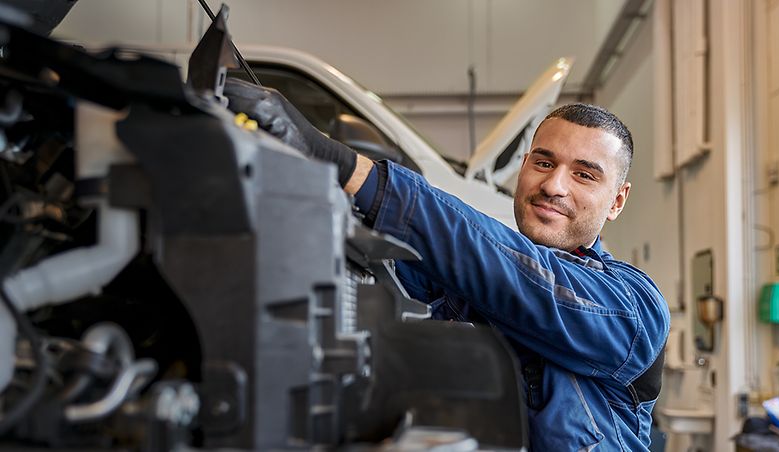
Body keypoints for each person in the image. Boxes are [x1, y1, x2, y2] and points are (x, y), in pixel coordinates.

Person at [224, 78, 671, 451]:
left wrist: (336, 158)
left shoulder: (633, 308)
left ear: (617, 201)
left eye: (584, 174)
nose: (553, 185)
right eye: (543, 162)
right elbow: (395, 253)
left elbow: (517, 274)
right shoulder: (463, 282)